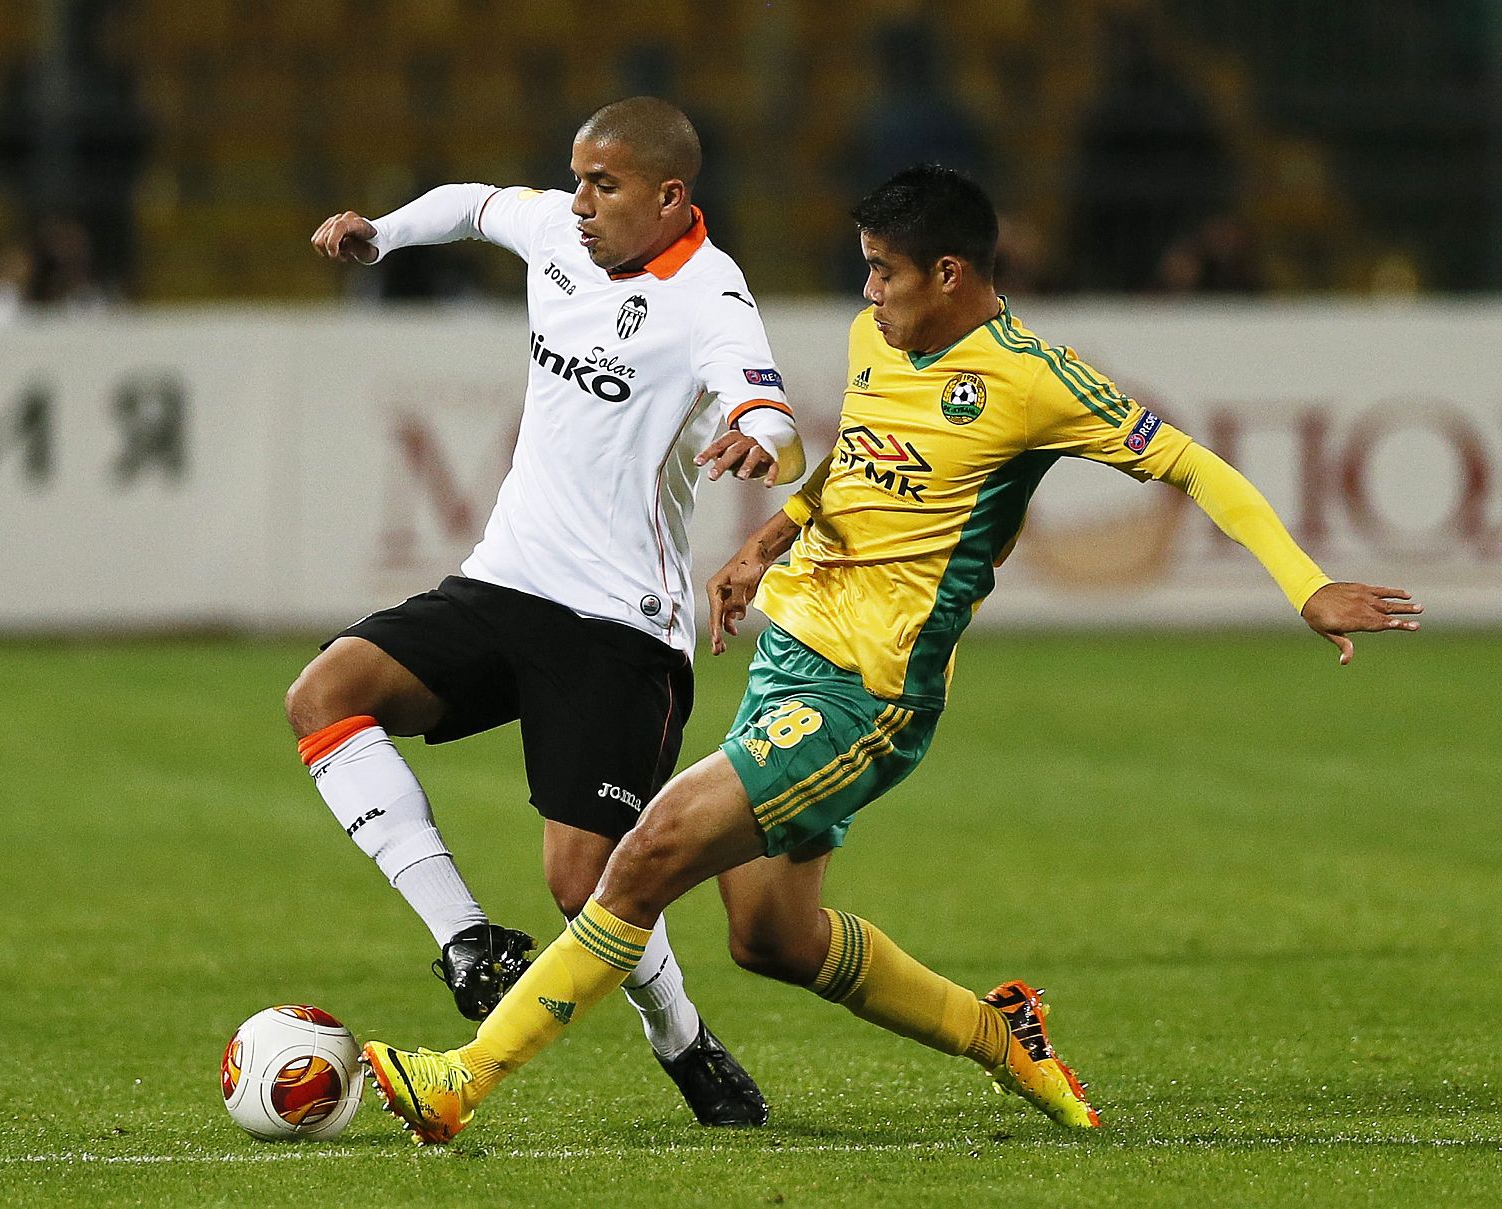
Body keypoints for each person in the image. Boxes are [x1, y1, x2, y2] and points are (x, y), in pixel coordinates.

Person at [357, 164, 1422, 1144]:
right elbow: (854, 466)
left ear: (949, 272)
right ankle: (1002, 1033)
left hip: (866, 695)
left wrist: (1305, 585)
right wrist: (767, 540)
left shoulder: (1030, 380)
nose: (867, 293)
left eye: (883, 271)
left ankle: (461, 1085)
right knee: (771, 938)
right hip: (791, 660)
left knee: (643, 856)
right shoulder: (881, 346)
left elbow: (1197, 469)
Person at [290, 97, 806, 1128]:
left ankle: (684, 1042)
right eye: (574, 178)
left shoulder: (708, 295)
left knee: (584, 883)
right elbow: (476, 205)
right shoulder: (557, 238)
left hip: (621, 624)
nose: (577, 204)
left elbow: (768, 405)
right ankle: (463, 939)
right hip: (503, 582)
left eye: (602, 186)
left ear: (668, 196)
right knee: (326, 694)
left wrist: (760, 434)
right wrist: (383, 232)